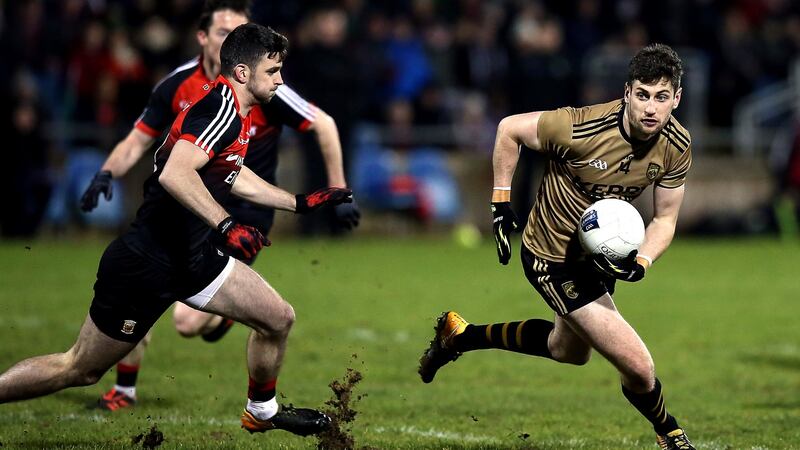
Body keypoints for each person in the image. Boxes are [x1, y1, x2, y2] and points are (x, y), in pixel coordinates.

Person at [0, 23, 352, 437]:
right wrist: (226, 223)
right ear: (242, 73)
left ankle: (262, 410)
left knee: (277, 318)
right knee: (79, 368)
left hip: (195, 257)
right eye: (273, 71)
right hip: (147, 263)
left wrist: (298, 203)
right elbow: (174, 173)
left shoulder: (236, 113)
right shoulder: (218, 112)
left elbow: (231, 174)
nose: (281, 80)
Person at [78, 0, 360, 411]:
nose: (236, 38)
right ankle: (126, 388)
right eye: (226, 31)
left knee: (208, 320)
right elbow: (151, 148)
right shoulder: (197, 93)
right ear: (205, 39)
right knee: (91, 357)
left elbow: (318, 127)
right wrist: (107, 171)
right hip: (188, 220)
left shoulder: (258, 91)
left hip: (242, 212)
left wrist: (321, 196)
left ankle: (260, 408)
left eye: (241, 30)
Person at [418, 43, 696, 450]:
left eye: (661, 97)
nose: (650, 108)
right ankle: (669, 432)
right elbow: (508, 129)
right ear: (626, 92)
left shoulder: (676, 144)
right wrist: (500, 203)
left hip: (600, 260)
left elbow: (665, 219)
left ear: (677, 99)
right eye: (642, 95)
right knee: (638, 366)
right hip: (552, 255)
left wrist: (642, 260)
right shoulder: (580, 127)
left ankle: (459, 336)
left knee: (567, 350)